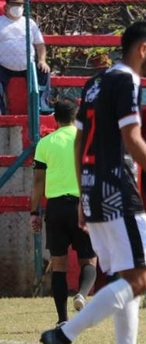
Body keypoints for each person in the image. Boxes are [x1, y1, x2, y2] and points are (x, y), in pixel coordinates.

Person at [40, 21, 146, 344]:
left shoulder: (94, 83)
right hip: (118, 190)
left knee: (128, 278)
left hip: (93, 189)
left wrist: (83, 195)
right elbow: (133, 139)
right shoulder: (127, 79)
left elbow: (80, 141)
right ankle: (62, 335)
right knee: (140, 280)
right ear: (142, 49)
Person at [29, 98, 97, 325]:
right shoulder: (85, 139)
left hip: (56, 208)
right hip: (82, 204)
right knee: (89, 259)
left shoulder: (44, 143)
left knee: (58, 263)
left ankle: (62, 319)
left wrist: (34, 213)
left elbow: (38, 182)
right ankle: (81, 293)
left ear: (54, 118)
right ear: (76, 116)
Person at [0, 0, 51, 114]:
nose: (17, 7)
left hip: (28, 66)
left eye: (20, 5)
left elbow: (39, 44)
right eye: (14, 4)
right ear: (7, 6)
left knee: (43, 71)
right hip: (3, 66)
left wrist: (42, 60)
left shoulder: (29, 23)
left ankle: (42, 104)